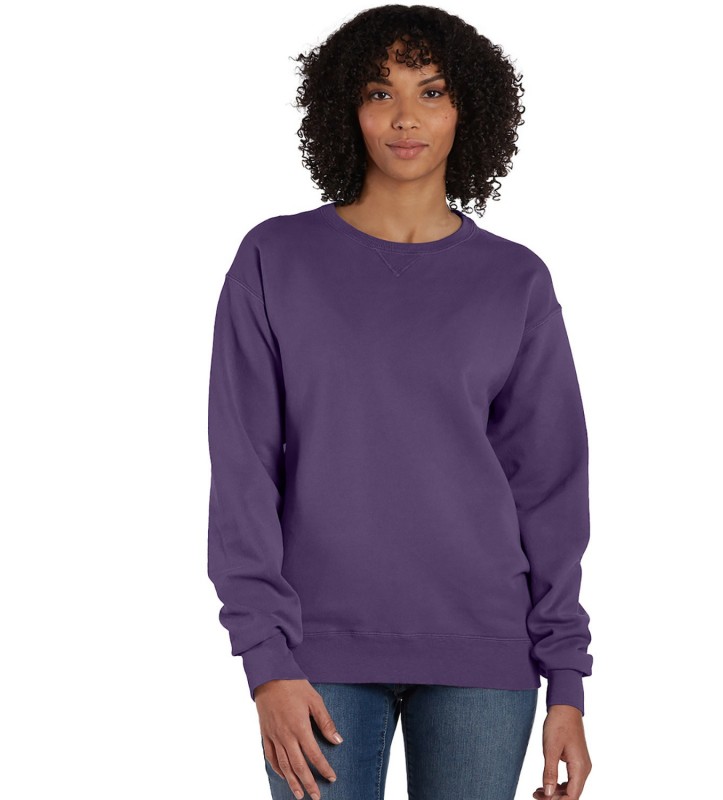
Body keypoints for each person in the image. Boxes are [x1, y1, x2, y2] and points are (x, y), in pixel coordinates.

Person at [207, 5, 594, 800]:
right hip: (315, 652)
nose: (406, 117)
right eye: (380, 93)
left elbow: (551, 487)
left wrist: (567, 683)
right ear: (345, 109)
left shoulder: (514, 280)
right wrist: (266, 661)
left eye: (432, 92)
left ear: (467, 110)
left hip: (486, 654)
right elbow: (243, 470)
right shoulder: (275, 259)